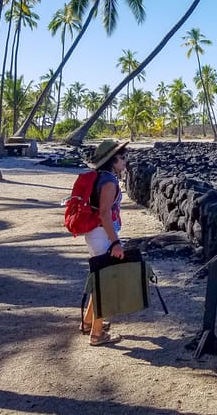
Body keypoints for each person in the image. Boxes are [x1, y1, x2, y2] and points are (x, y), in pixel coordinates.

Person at [81, 139, 129, 346]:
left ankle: (88, 321)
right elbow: (104, 214)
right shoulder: (109, 181)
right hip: (103, 234)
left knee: (100, 278)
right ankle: (97, 334)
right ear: (113, 160)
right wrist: (115, 242)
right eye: (123, 157)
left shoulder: (99, 177)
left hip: (95, 233)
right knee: (106, 283)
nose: (126, 161)